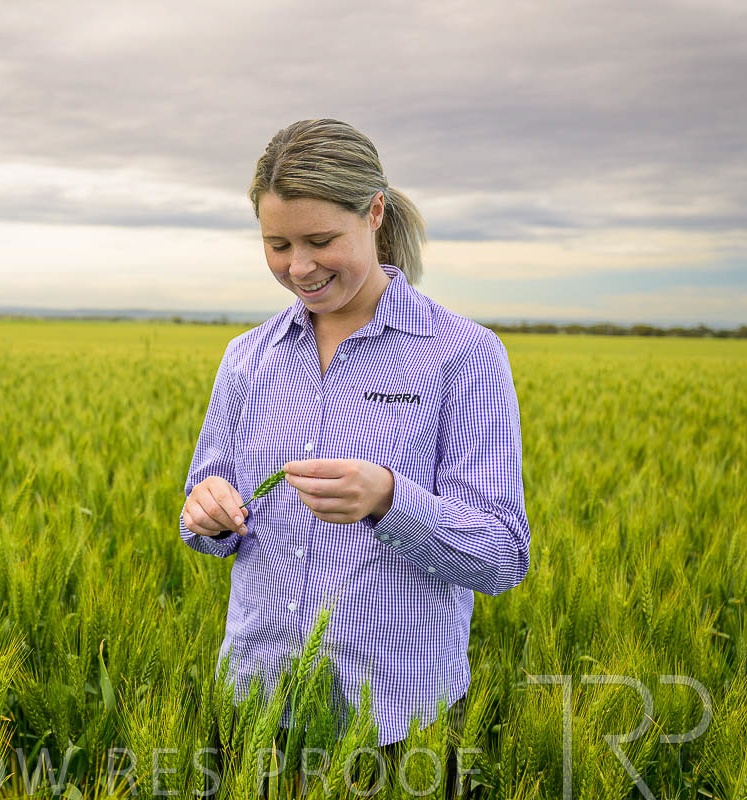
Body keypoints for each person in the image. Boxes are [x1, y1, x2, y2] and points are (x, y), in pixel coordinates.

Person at [180, 119, 531, 799]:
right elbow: (203, 511)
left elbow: (502, 556)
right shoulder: (247, 357)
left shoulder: (462, 355)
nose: (298, 267)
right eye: (277, 245)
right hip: (256, 710)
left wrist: (389, 500)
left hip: (398, 723)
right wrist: (207, 515)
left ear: (374, 213)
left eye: (320, 241)